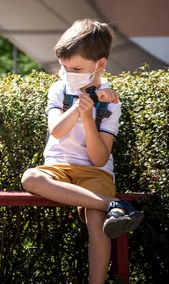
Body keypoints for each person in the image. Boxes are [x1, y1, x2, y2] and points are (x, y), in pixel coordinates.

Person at [21, 19, 143, 283]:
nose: (68, 72)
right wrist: (78, 108)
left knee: (99, 221)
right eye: (64, 66)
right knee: (31, 178)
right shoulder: (59, 89)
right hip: (57, 168)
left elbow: (99, 158)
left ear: (100, 64)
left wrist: (89, 117)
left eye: (76, 68)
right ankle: (116, 205)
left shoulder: (110, 101)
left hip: (94, 171)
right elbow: (57, 131)